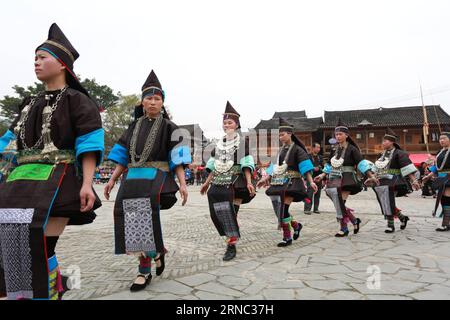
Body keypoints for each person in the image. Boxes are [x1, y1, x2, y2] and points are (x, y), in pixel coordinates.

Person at [0, 23, 104, 300]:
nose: (36, 62)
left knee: (42, 245)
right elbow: (8, 145)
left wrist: (88, 184)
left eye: (42, 57)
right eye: (34, 57)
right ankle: (27, 293)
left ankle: (49, 295)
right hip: (18, 183)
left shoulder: (78, 101)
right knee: (12, 246)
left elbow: (89, 144)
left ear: (62, 65)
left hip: (58, 180)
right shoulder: (27, 103)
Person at [104, 69, 191, 292]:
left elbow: (177, 160)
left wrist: (182, 184)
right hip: (131, 180)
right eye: (149, 98)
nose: (153, 102)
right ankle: (157, 252)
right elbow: (123, 157)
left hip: (155, 179)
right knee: (132, 222)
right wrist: (112, 180)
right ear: (142, 102)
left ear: (163, 102)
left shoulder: (171, 128)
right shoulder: (133, 127)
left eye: (157, 98)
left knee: (143, 222)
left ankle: (144, 271)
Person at [200, 101, 256, 261]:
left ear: (236, 124)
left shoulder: (242, 142)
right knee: (220, 211)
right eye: (224, 123)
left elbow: (246, 163)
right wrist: (206, 182)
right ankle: (232, 238)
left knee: (231, 212)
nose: (226, 125)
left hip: (237, 182)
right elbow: (214, 164)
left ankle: (231, 245)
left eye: (230, 122)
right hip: (219, 181)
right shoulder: (219, 144)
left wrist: (249, 181)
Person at [257, 118, 317, 247]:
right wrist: (265, 178)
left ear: (290, 134)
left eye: (282, 134)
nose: (280, 137)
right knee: (282, 210)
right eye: (279, 135)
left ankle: (287, 237)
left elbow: (305, 167)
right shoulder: (280, 150)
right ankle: (296, 225)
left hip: (292, 183)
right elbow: (275, 167)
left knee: (283, 210)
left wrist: (311, 182)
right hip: (279, 182)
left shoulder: (298, 150)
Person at [315, 119, 375, 237]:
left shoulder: (353, 149)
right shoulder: (334, 150)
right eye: (336, 134)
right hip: (334, 179)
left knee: (340, 203)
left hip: (347, 179)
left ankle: (344, 228)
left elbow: (361, 164)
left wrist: (371, 175)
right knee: (339, 204)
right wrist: (322, 175)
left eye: (340, 134)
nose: (338, 136)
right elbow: (329, 165)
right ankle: (354, 220)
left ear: (346, 135)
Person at [366, 128, 420, 233]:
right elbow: (376, 169)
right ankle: (402, 217)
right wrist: (371, 178)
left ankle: (390, 225)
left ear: (392, 142)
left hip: (394, 181)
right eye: (383, 141)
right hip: (381, 181)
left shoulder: (399, 153)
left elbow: (407, 167)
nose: (383, 143)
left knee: (388, 201)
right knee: (385, 202)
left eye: (385, 141)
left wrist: (414, 180)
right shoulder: (381, 155)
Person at [422, 129, 450, 231]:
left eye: (444, 138)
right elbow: (436, 167)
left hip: (449, 179)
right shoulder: (440, 152)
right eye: (440, 139)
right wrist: (428, 176)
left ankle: (445, 223)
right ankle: (447, 223)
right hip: (441, 179)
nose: (441, 140)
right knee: (443, 200)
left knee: (446, 199)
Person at [304, 142, 323, 214]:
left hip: (318, 177)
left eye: (319, 147)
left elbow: (323, 166)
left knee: (318, 193)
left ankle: (316, 208)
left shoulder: (320, 157)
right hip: (310, 177)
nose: (318, 149)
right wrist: (313, 168)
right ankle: (307, 209)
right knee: (309, 193)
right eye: (317, 147)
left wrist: (319, 168)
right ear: (313, 148)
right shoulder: (307, 156)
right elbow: (306, 166)